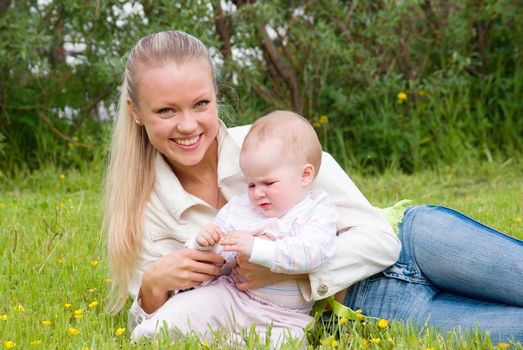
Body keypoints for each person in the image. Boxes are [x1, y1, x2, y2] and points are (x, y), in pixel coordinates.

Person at [104, 30, 523, 346]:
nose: (188, 125)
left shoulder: (273, 142)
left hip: (418, 242)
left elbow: (380, 240)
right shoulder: (141, 212)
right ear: (136, 112)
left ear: (216, 96)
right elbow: (166, 329)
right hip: (371, 306)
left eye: (201, 104)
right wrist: (152, 288)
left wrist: (284, 269)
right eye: (165, 110)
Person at [131, 111, 339, 345]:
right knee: (195, 304)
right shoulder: (241, 207)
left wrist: (256, 248)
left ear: (305, 175)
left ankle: (233, 343)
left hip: (283, 316)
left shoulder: (317, 209)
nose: (258, 193)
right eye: (251, 183)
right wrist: (204, 243)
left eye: (269, 183)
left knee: (288, 341)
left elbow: (316, 252)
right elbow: (216, 261)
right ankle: (159, 329)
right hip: (232, 296)